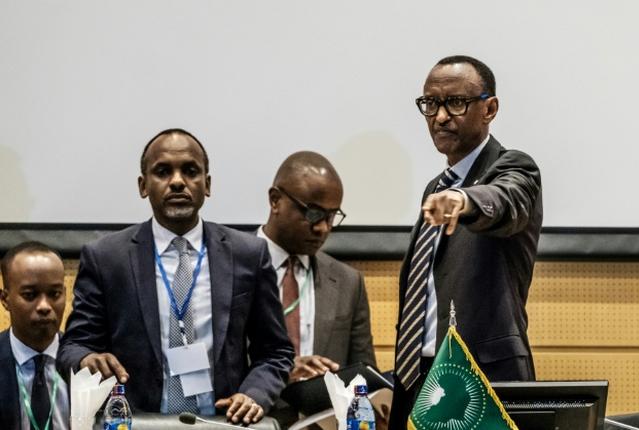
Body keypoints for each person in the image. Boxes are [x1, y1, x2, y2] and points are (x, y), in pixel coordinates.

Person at [57, 128, 294, 425]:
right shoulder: (107, 258)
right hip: (137, 423)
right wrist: (85, 360)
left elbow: (275, 351)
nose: (178, 182)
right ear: (143, 186)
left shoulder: (248, 254)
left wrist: (255, 394)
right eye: (163, 172)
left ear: (207, 185)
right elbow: (73, 346)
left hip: (222, 424)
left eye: (191, 171)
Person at [390, 55, 543, 428]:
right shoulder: (435, 187)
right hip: (419, 379)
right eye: (430, 104)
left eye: (455, 103)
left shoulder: (514, 168)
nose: (440, 117)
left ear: (490, 109)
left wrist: (465, 200)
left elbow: (504, 200)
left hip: (480, 382)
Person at [258, 151, 376, 424]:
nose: (323, 228)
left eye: (332, 216)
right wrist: (277, 371)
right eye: (313, 213)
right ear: (275, 200)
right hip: (249, 422)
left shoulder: (348, 282)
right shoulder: (231, 267)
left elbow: (364, 374)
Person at [0, 241, 68, 430]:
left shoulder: (86, 364)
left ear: (65, 294)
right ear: (5, 299)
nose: (44, 306)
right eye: (30, 295)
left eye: (54, 294)